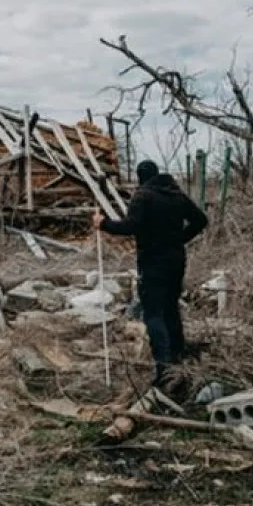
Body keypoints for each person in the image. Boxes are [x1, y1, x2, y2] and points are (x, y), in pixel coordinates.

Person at [93, 159, 208, 389]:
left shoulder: (143, 195)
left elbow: (131, 226)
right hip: (176, 261)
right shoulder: (175, 194)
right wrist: (179, 239)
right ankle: (178, 360)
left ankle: (164, 369)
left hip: (152, 262)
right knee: (171, 309)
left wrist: (103, 223)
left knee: (153, 313)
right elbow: (201, 220)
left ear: (140, 176)